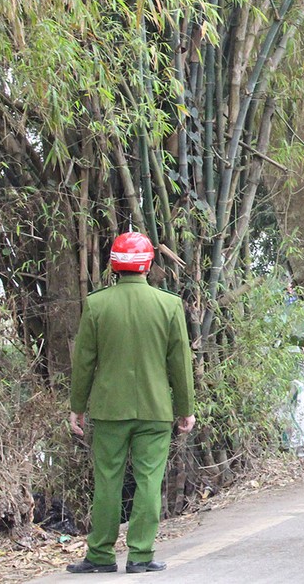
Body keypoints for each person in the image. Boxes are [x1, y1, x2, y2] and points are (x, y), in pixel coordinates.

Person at [67, 232, 195, 575]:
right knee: (149, 481)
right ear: (148, 265)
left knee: (107, 480)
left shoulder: (97, 304)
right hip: (155, 410)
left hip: (110, 411)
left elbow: (84, 363)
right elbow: (179, 363)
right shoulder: (168, 305)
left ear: (113, 264)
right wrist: (186, 409)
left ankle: (100, 555)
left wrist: (77, 407)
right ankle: (140, 555)